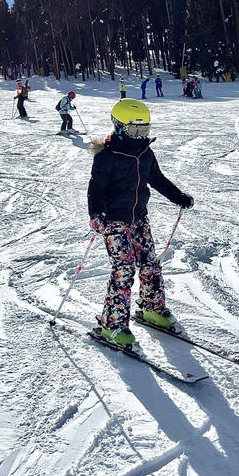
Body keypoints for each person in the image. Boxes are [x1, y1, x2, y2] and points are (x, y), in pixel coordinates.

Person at [87, 99, 194, 347]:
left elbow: (157, 179)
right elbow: (96, 188)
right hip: (114, 222)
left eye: (145, 130)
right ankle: (112, 324)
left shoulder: (146, 153)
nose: (141, 135)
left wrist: (178, 197)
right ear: (121, 127)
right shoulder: (107, 157)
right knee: (123, 269)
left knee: (150, 265)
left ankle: (151, 308)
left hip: (139, 220)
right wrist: (96, 214)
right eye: (136, 130)